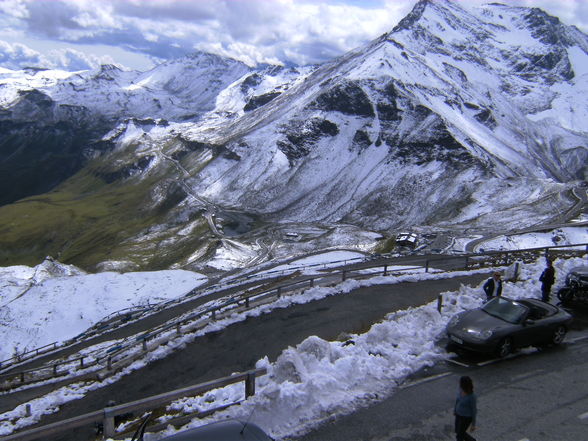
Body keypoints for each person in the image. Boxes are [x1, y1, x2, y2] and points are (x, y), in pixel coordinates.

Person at [454, 375, 477, 441]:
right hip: (458, 415)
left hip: (466, 418)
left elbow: (474, 410)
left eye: (460, 382)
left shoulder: (472, 397)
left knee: (459, 436)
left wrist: (473, 424)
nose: (459, 383)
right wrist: (455, 410)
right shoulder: (461, 389)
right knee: (457, 431)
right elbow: (457, 400)